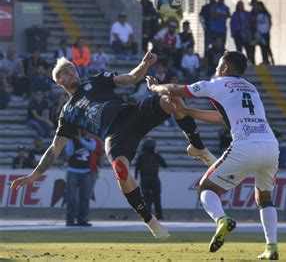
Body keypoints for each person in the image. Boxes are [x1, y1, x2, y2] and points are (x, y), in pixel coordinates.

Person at [10, 51, 216, 240]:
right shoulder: (67, 113)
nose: (70, 72)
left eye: (71, 68)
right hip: (113, 135)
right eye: (65, 72)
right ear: (58, 81)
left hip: (131, 114)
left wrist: (144, 64)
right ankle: (150, 220)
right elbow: (55, 148)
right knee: (121, 171)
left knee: (173, 100)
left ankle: (198, 147)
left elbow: (131, 78)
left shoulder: (96, 81)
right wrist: (34, 175)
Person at [147, 51, 280, 260]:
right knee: (264, 198)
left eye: (218, 65)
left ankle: (222, 220)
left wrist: (155, 87)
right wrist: (189, 112)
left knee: (206, 188)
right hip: (271, 146)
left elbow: (174, 90)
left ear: (225, 67)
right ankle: (271, 247)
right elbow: (221, 118)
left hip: (245, 145)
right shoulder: (251, 88)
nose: (216, 70)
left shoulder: (218, 83)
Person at [64, 129, 96, 226]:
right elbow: (69, 152)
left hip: (85, 172)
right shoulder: (71, 140)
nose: (83, 132)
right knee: (71, 197)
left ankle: (82, 219)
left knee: (85, 197)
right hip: (72, 171)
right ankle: (70, 219)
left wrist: (81, 140)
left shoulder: (91, 140)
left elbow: (92, 148)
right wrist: (73, 140)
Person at [135, 138, 167, 220]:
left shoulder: (141, 156)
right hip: (155, 179)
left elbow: (137, 167)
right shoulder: (156, 156)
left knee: (146, 199)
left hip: (145, 179)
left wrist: (136, 176)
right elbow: (165, 165)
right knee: (157, 198)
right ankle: (159, 216)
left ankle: (147, 217)